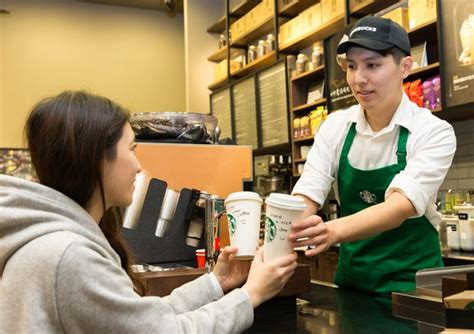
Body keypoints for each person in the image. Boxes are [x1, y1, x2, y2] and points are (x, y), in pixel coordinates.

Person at [0, 90, 298, 333]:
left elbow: (143, 321)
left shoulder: (54, 242)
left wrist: (216, 283)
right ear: (97, 159)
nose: (139, 165)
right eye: (131, 149)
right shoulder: (69, 255)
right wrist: (253, 294)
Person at [289, 16, 456, 293]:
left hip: (416, 290)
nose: (358, 79)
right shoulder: (335, 127)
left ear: (405, 67)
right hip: (353, 286)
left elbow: (398, 209)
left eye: (372, 65)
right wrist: (284, 230)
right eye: (352, 67)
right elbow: (308, 191)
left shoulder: (432, 131)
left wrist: (330, 232)